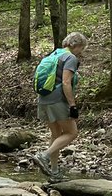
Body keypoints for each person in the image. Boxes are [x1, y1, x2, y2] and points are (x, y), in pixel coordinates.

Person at [32, 32, 88, 181]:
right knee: (72, 132)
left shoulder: (54, 54)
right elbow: (66, 82)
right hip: (57, 100)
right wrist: (72, 105)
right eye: (81, 48)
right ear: (75, 45)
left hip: (43, 99)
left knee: (56, 135)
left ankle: (54, 172)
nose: (81, 52)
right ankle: (44, 156)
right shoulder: (70, 58)